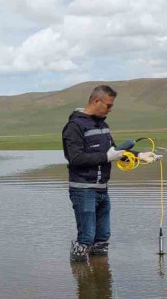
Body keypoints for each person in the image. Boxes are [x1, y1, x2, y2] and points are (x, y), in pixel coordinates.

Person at [61, 85, 160, 262]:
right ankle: (81, 280)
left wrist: (140, 156)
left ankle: (102, 281)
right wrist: (106, 157)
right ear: (96, 101)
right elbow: (75, 158)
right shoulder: (74, 127)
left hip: (102, 189)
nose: (111, 109)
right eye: (108, 105)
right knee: (86, 238)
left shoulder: (104, 126)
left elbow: (115, 152)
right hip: (83, 189)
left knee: (103, 238)